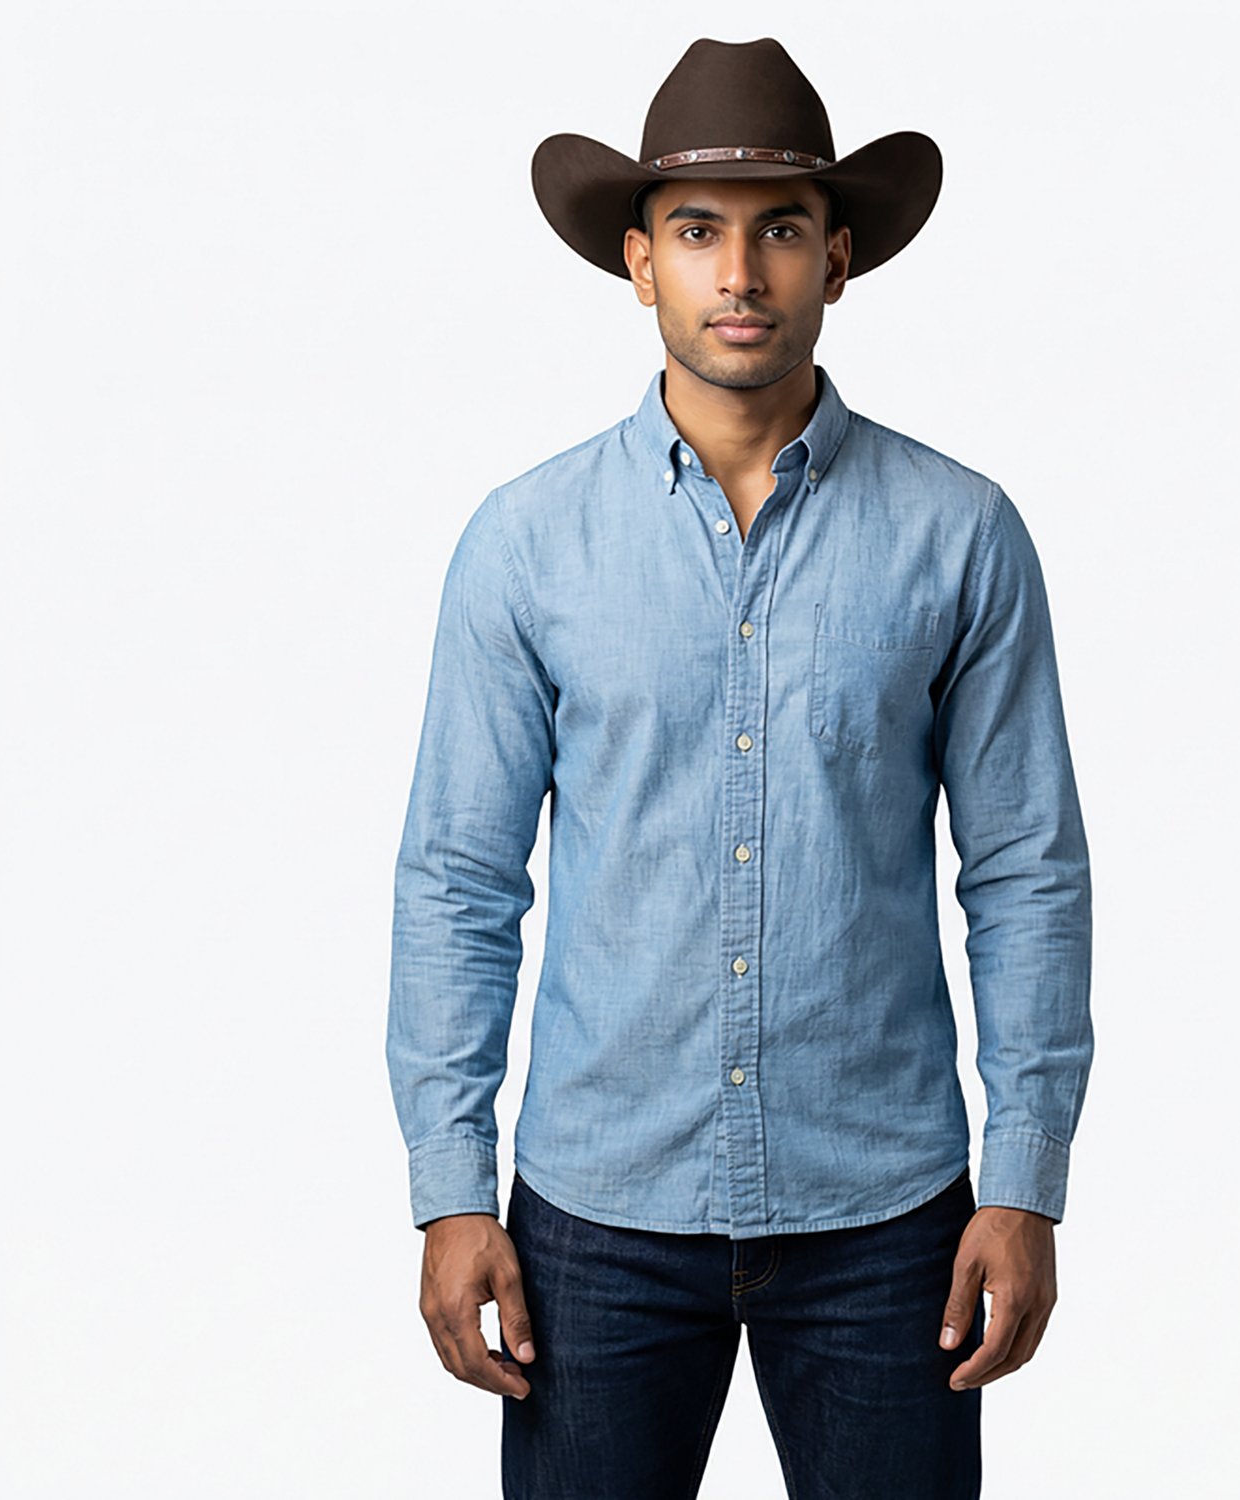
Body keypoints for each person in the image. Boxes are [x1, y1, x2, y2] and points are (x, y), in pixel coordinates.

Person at [386, 35, 1094, 1500]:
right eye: (699, 230)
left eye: (779, 229)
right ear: (639, 261)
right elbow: (459, 880)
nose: (740, 273)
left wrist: (1026, 1177)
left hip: (888, 1217)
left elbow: (1027, 872)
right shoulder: (525, 544)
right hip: (595, 1218)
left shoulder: (960, 534)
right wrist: (449, 1190)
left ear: (838, 258)